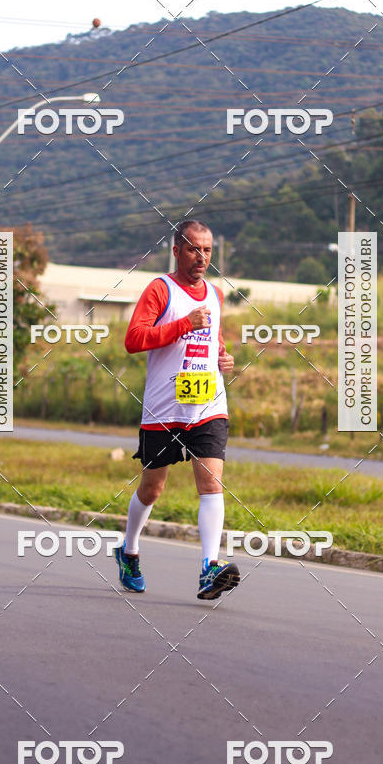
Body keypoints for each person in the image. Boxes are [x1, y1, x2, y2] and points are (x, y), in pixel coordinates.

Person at [115, 219, 240, 600]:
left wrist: (223, 358)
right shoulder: (160, 289)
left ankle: (208, 568)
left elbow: (213, 338)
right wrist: (184, 324)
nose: (201, 257)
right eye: (193, 249)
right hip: (164, 407)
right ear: (176, 251)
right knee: (153, 489)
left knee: (212, 482)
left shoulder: (216, 294)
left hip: (207, 405)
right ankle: (129, 550)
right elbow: (134, 340)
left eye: (207, 250)